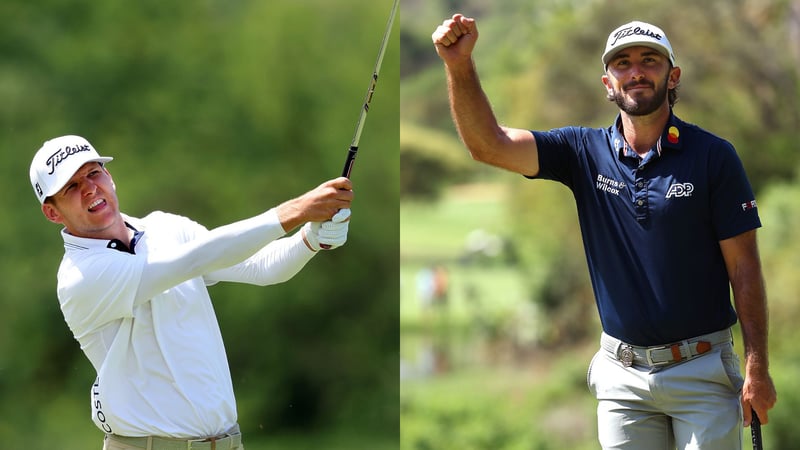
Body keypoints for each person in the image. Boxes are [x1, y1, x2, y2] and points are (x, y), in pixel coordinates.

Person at [432, 14, 777, 449]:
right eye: (622, 63)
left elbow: (745, 269)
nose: (635, 71)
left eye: (649, 60)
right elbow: (489, 144)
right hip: (622, 379)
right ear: (607, 83)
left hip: (703, 370)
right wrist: (459, 66)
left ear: (673, 76)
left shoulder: (714, 157)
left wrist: (757, 368)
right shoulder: (582, 152)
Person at [30, 135, 354, 449]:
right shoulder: (80, 276)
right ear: (53, 212)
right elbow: (196, 259)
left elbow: (262, 267)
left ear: (109, 176)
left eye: (93, 173)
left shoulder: (166, 227)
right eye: (71, 187)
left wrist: (311, 239)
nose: (89, 189)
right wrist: (296, 210)